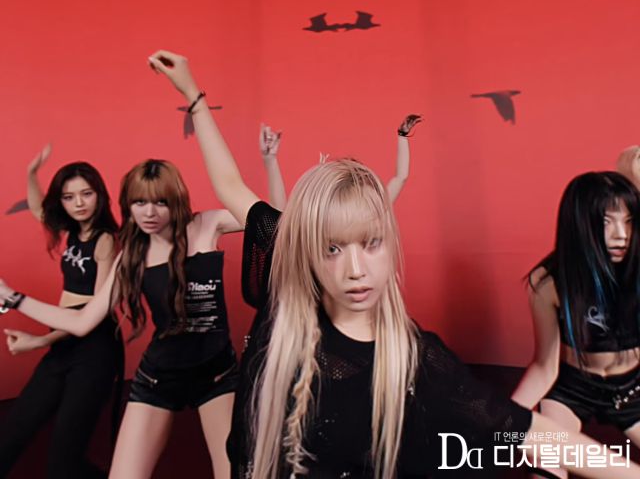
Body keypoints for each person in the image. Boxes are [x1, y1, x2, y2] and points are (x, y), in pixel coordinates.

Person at [142, 50, 640, 479]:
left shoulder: (413, 357)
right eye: (332, 249)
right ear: (306, 250)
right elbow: (229, 183)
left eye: (371, 244)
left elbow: (526, 433)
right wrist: (193, 93)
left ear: (390, 242)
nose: (355, 270)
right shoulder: (284, 281)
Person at [0, 156, 243, 479]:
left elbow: (272, 219)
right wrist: (13, 298)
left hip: (217, 375)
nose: (149, 213)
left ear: (176, 200)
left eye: (160, 202)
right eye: (139, 202)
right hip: (158, 378)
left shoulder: (207, 225)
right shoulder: (132, 254)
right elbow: (82, 321)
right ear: (128, 204)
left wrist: (268, 163)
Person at [0, 147, 121, 479]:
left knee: (63, 463)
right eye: (69, 197)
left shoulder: (106, 241)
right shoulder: (73, 232)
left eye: (86, 193)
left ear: (100, 195)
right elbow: (38, 207)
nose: (79, 203)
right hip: (64, 341)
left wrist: (39, 341)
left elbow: (91, 316)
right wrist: (31, 173)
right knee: (11, 436)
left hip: (95, 348)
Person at [512, 171, 640, 478]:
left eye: (629, 221)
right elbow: (544, 366)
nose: (621, 234)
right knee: (544, 466)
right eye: (607, 222)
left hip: (634, 389)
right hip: (573, 388)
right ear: (581, 224)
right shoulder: (548, 282)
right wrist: (502, 417)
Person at [260, 114, 422, 210]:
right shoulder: (317, 219)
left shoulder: (366, 213)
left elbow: (400, 177)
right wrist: (270, 160)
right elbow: (279, 220)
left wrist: (402, 136)